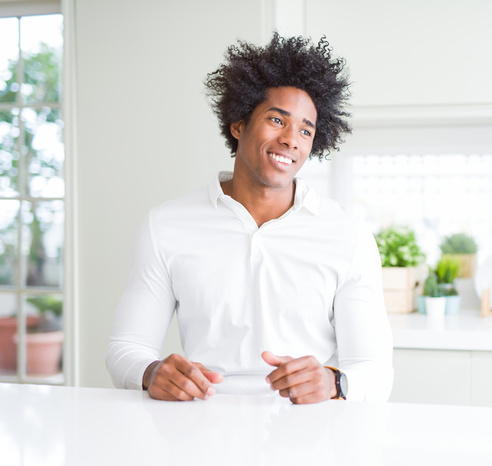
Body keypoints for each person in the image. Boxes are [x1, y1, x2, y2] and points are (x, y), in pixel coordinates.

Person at [105, 33, 393, 404]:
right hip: (200, 431)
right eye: (277, 119)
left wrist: (334, 383)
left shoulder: (348, 235)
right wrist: (152, 373)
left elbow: (375, 370)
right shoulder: (166, 226)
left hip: (310, 440)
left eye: (306, 129)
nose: (292, 139)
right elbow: (125, 349)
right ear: (238, 125)